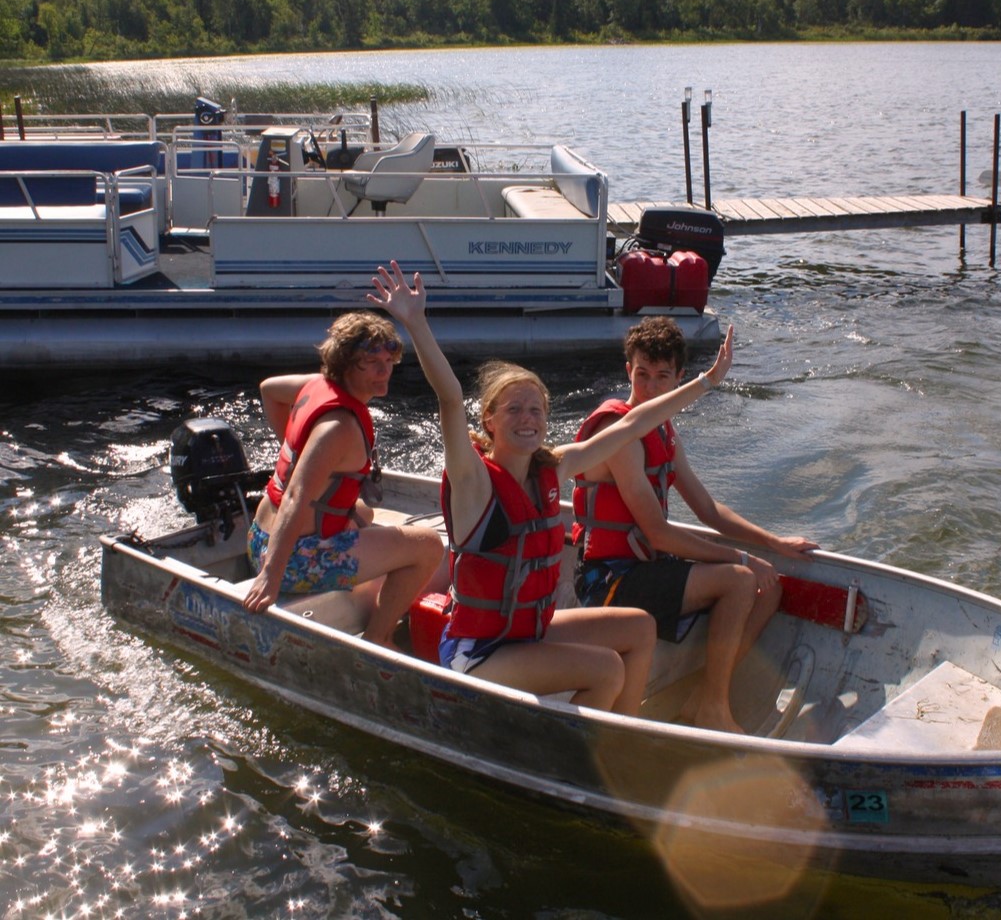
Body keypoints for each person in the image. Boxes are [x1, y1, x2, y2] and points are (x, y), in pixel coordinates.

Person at [369, 261, 737, 716]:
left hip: (529, 630)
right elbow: (448, 396)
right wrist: (415, 322)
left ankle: (618, 733)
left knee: (639, 628)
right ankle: (596, 750)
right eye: (514, 410)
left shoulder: (552, 468)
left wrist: (707, 381)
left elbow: (635, 422)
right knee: (606, 669)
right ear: (490, 420)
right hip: (478, 652)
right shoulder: (474, 480)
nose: (528, 418)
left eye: (537, 410)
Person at [571, 316, 819, 734]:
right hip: (607, 579)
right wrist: (742, 559)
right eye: (641, 374)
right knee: (741, 580)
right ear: (627, 371)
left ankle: (702, 695)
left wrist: (772, 543)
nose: (649, 387)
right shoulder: (618, 432)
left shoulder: (665, 433)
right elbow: (658, 533)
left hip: (645, 570)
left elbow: (706, 508)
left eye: (662, 377)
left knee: (768, 587)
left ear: (678, 379)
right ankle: (713, 709)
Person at [242, 310, 446, 647]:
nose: (385, 371)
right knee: (428, 546)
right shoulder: (338, 429)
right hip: (293, 560)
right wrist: (270, 577)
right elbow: (295, 496)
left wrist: (301, 456)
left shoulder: (314, 385)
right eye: (371, 362)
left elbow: (269, 390)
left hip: (258, 536)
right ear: (345, 364)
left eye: (389, 361)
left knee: (363, 511)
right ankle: (379, 637)